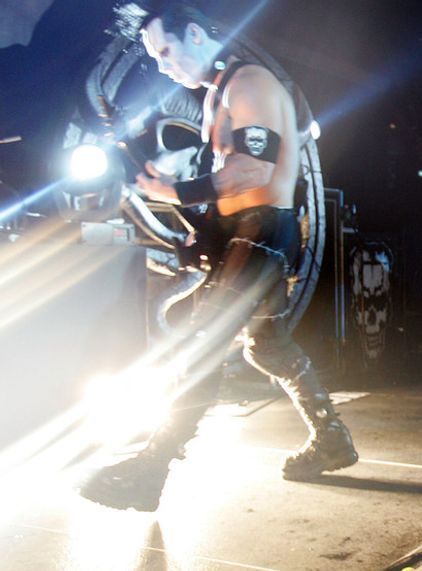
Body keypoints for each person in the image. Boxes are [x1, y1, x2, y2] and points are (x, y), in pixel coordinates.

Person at [79, 3, 357, 511]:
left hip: (261, 235)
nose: (163, 64)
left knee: (202, 341)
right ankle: (332, 439)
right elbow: (233, 187)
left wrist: (177, 192)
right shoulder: (220, 94)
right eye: (154, 57)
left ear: (195, 35)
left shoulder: (248, 85)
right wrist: (197, 223)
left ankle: (150, 470)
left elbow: (252, 173)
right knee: (267, 347)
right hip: (254, 234)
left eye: (166, 50)